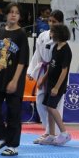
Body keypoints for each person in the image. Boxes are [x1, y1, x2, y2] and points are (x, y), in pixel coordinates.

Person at [0, 1, 29, 157]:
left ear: (20, 16)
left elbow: (22, 61)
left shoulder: (21, 34)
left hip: (13, 79)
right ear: (6, 14)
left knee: (13, 112)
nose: (13, 14)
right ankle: (1, 137)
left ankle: (13, 145)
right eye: (11, 12)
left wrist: (15, 81)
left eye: (17, 12)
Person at [27, 9, 65, 144]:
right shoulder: (43, 36)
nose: (51, 24)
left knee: (55, 104)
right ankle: (48, 131)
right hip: (43, 70)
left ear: (60, 22)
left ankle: (53, 133)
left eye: (54, 21)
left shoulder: (62, 39)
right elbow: (37, 54)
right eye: (49, 21)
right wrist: (31, 72)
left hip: (56, 73)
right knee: (39, 100)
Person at [36, 24, 73, 146]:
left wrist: (57, 87)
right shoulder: (55, 47)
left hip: (58, 84)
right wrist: (43, 78)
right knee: (48, 107)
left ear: (58, 34)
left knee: (52, 107)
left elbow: (64, 70)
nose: (50, 34)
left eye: (52, 32)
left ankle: (64, 133)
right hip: (50, 82)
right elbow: (51, 66)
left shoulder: (66, 50)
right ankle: (51, 135)